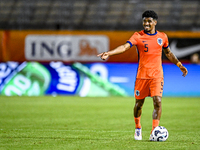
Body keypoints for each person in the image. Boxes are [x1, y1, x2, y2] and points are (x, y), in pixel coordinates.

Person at [97, 10, 188, 140]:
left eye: (149, 21)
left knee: (158, 101)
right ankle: (138, 128)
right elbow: (124, 47)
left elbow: (168, 53)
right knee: (139, 104)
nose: (146, 23)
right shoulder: (137, 36)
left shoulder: (162, 37)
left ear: (155, 22)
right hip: (142, 76)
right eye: (144, 21)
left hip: (157, 75)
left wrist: (179, 65)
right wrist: (109, 53)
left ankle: (154, 132)